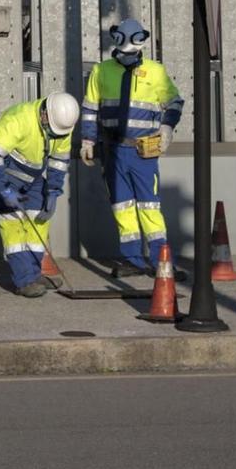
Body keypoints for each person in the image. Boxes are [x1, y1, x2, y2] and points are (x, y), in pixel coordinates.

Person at [78, 18, 183, 277]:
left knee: (149, 206)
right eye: (124, 53)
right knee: (122, 206)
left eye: (133, 53)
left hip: (142, 152)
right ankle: (132, 260)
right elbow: (90, 109)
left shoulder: (155, 71)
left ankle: (161, 259)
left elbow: (174, 102)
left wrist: (167, 127)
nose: (128, 57)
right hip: (113, 150)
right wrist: (88, 140)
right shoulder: (101, 71)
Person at [0, 93, 79, 296]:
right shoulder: (19, 119)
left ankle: (34, 274)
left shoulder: (62, 126)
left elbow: (58, 162)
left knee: (39, 220)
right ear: (44, 116)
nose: (56, 136)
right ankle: (24, 280)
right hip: (3, 176)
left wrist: (52, 192)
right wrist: (3, 190)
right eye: (53, 131)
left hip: (32, 178)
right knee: (14, 225)